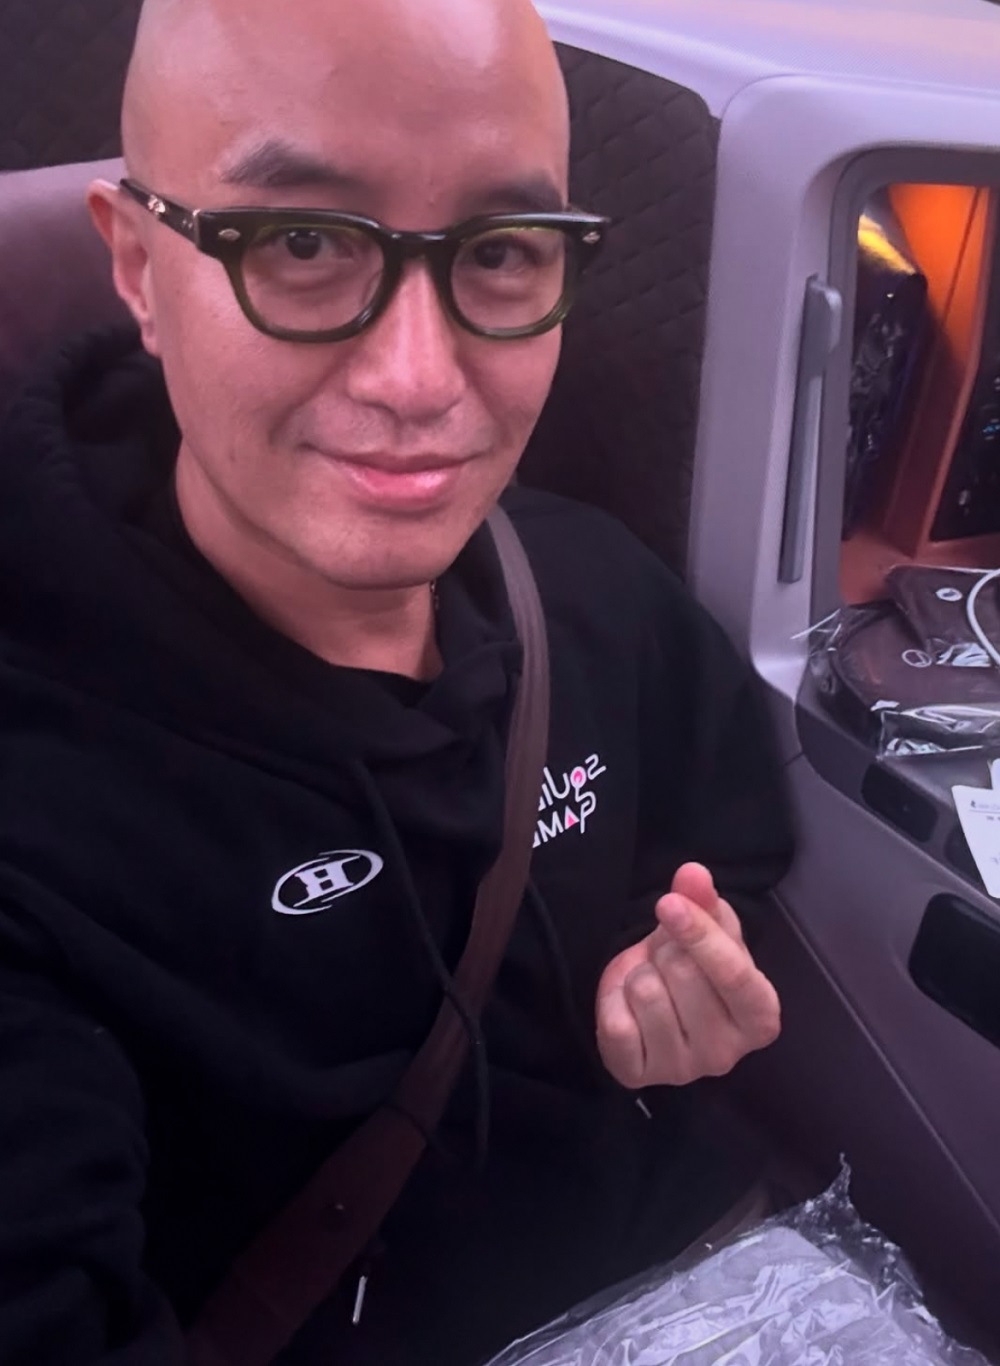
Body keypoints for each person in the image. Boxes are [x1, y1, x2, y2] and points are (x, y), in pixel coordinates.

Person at [0, 0, 794, 1361]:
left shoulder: (595, 591)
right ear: (136, 267)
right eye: (302, 244)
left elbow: (727, 853)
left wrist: (673, 989)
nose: (419, 380)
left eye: (500, 249)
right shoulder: (38, 783)